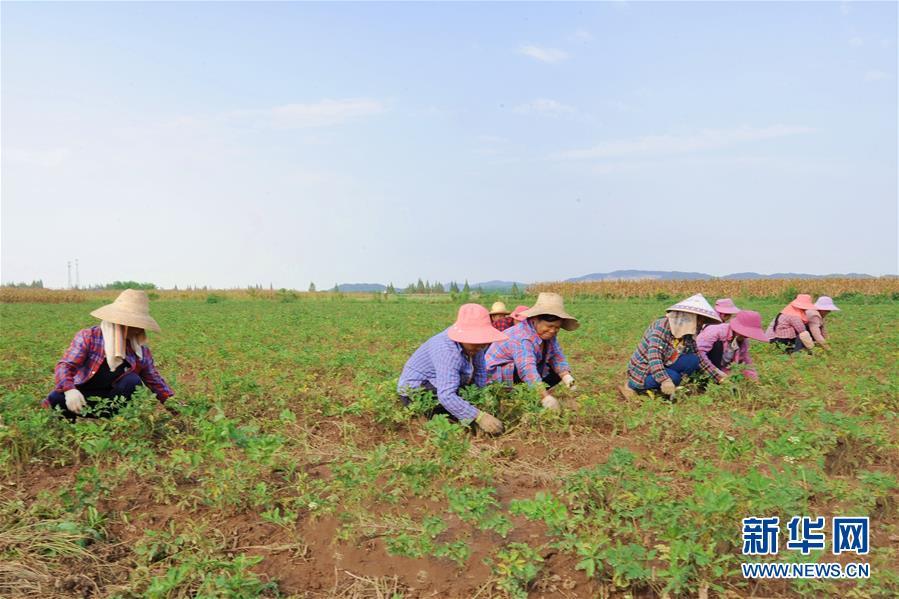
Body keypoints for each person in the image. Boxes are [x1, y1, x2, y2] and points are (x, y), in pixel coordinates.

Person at [42, 289, 175, 421]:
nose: (138, 329)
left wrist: (178, 407)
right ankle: (68, 425)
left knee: (132, 381)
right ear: (120, 323)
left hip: (113, 401)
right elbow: (65, 366)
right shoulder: (89, 337)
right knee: (56, 398)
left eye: (139, 324)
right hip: (83, 396)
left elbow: (156, 383)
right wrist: (69, 390)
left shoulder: (140, 352)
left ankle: (119, 424)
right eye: (134, 324)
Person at [398, 303, 507, 434]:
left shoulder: (476, 345)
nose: (481, 346)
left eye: (483, 342)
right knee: (453, 424)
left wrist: (480, 402)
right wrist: (479, 417)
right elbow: (446, 395)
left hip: (440, 384)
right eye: (477, 342)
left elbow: (480, 374)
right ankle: (424, 419)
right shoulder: (447, 350)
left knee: (465, 404)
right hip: (417, 390)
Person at [619, 293, 724, 400]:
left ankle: (663, 387)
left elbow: (700, 359)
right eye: (699, 320)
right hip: (644, 369)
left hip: (666, 363)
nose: (700, 324)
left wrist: (718, 378)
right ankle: (632, 386)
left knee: (693, 360)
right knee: (674, 377)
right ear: (688, 317)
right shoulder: (661, 327)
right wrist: (665, 380)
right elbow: (654, 357)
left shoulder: (688, 333)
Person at [485, 292, 578, 411]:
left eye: (557, 327)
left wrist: (567, 378)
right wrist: (545, 397)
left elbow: (556, 355)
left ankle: (531, 395)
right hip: (495, 375)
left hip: (517, 371)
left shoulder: (549, 335)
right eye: (549, 326)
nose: (552, 331)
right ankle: (527, 396)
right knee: (524, 370)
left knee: (556, 372)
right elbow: (526, 369)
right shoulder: (522, 337)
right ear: (535, 319)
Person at [695, 310, 769, 381]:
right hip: (704, 367)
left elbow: (745, 361)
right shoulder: (715, 331)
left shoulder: (743, 340)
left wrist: (754, 379)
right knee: (717, 345)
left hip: (723, 370)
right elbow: (698, 353)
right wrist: (716, 374)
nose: (746, 336)